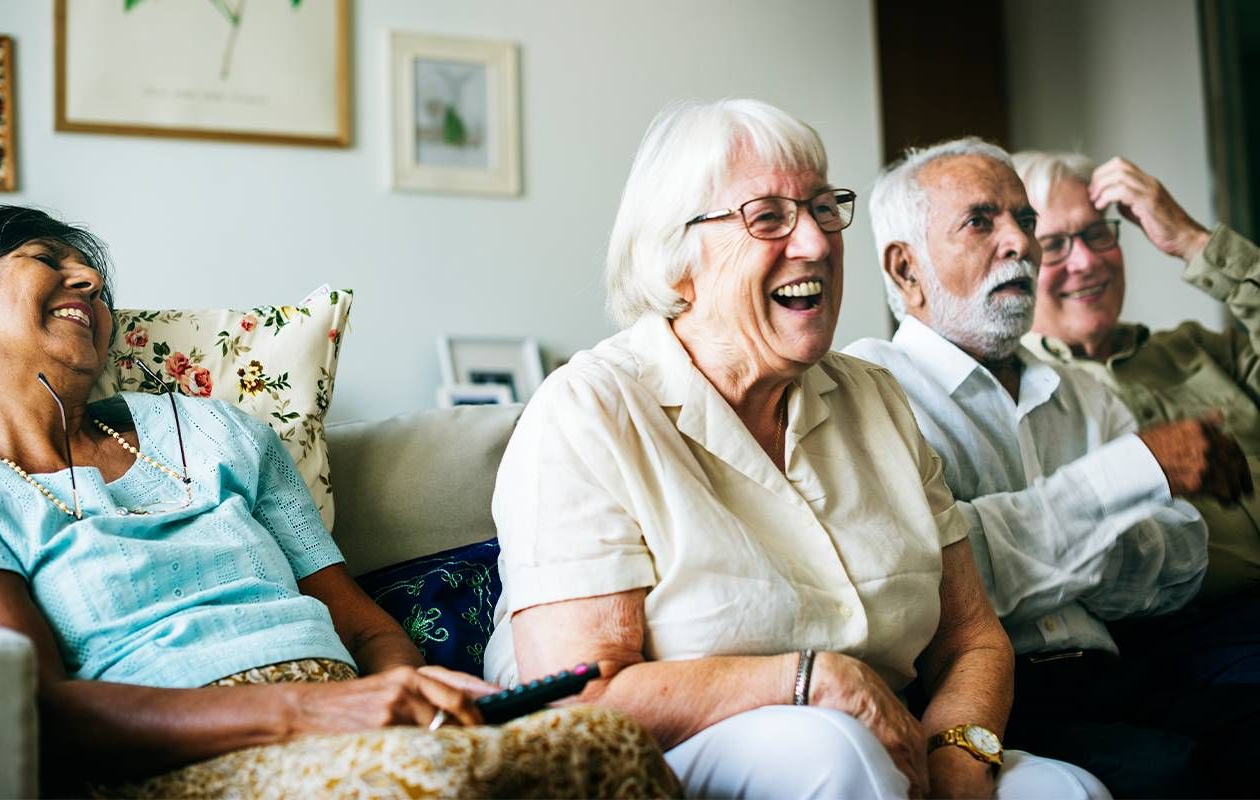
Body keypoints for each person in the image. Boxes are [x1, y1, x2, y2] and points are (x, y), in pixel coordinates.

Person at [483, 99, 1105, 800]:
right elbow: (578, 698)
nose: (816, 242)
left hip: (890, 741)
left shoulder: (875, 398)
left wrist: (960, 751)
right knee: (831, 751)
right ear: (677, 257)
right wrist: (812, 680)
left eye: (822, 208)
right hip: (683, 759)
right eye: (769, 217)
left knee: (1067, 790)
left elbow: (972, 639)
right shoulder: (589, 411)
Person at [0, 205, 680, 798]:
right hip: (183, 756)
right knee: (419, 784)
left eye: (97, 282)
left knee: (606, 739)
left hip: (353, 716)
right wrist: (313, 711)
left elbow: (367, 629)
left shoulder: (216, 430)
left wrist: (404, 697)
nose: (93, 283)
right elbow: (37, 710)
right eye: (49, 260)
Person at [845, 137, 1256, 797]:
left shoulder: (1084, 394)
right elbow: (939, 581)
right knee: (1168, 775)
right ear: (905, 269)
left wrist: (1036, 545)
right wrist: (1128, 479)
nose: (1021, 243)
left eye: (1025, 220)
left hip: (1123, 669)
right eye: (982, 222)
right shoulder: (869, 388)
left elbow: (1181, 560)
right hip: (990, 699)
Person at [1013, 151, 1260, 603]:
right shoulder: (1018, 396)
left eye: (1097, 233)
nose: (1086, 261)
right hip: (1194, 642)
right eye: (1053, 245)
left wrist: (1192, 240)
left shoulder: (1200, 349)